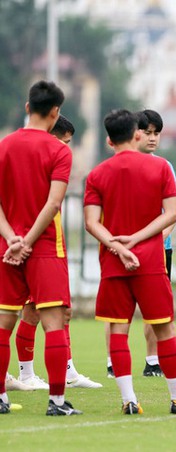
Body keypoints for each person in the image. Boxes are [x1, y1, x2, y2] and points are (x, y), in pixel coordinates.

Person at [84, 109, 176, 415]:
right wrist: (137, 240)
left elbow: (91, 223)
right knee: (164, 329)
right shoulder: (160, 168)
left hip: (113, 261)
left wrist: (117, 244)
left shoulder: (97, 174)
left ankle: (129, 400)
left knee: (118, 331)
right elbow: (172, 214)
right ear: (137, 134)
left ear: (108, 140)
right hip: (150, 261)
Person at [0, 80, 82, 415]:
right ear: (55, 113)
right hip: (46, 248)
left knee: (4, 324)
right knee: (54, 325)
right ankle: (57, 402)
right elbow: (53, 204)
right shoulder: (60, 150)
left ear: (26, 107)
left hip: (6, 249)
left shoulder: (4, 146)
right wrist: (29, 241)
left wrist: (11, 239)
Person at [10, 115, 102, 391]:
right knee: (24, 312)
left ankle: (64, 370)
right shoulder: (30, 159)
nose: (66, 149)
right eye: (64, 142)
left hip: (46, 243)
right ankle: (27, 376)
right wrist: (24, 241)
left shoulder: (47, 163)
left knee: (58, 310)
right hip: (31, 245)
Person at [105, 109, 173, 379]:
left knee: (156, 309)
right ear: (134, 133)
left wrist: (153, 241)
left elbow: (171, 213)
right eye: (147, 132)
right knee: (116, 312)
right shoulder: (111, 169)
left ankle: (153, 360)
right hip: (119, 249)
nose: (152, 138)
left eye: (157, 133)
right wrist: (118, 245)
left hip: (157, 249)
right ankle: (113, 362)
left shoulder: (164, 168)